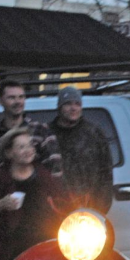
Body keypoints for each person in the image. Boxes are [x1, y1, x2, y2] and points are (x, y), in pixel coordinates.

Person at [0, 127, 66, 260]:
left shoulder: (43, 174)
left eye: (30, 145)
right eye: (21, 147)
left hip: (43, 244)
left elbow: (64, 202)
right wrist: (0, 205)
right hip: (11, 249)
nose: (28, 150)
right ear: (9, 153)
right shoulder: (0, 178)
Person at [0, 79, 62, 188]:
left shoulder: (41, 131)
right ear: (0, 101)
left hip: (35, 200)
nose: (18, 102)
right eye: (12, 97)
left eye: (21, 97)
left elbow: (56, 170)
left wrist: (28, 175)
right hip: (1, 201)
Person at [50, 86, 113, 214]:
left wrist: (100, 208)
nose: (73, 108)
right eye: (68, 104)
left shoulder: (94, 133)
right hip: (55, 210)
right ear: (59, 107)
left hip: (89, 209)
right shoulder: (47, 134)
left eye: (77, 104)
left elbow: (106, 173)